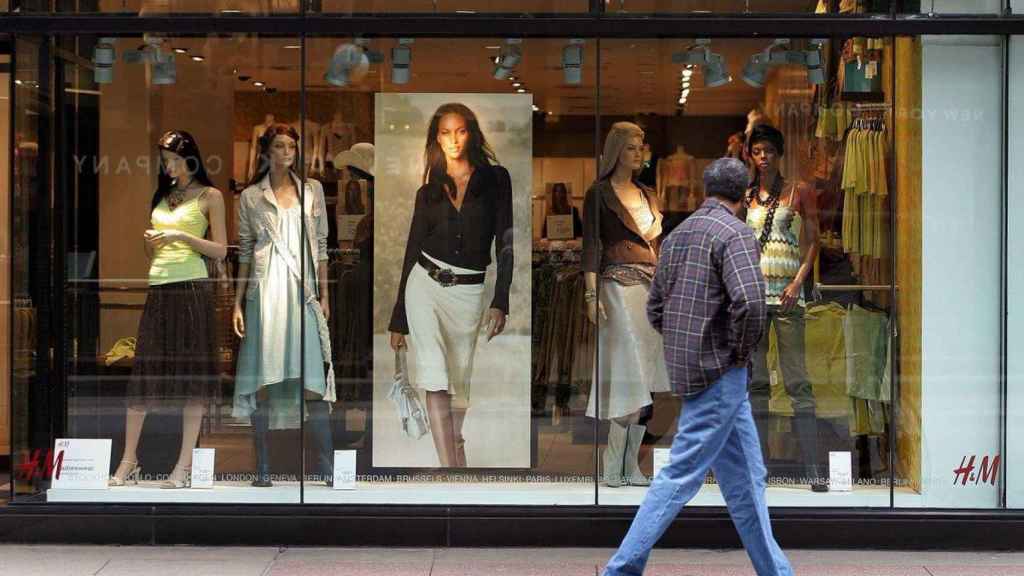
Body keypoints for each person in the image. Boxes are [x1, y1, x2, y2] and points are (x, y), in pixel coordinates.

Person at [602, 158, 793, 576]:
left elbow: (656, 306)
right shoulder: (737, 234)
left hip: (693, 369)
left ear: (706, 189)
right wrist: (739, 353)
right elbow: (751, 303)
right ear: (744, 194)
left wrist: (683, 344)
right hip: (722, 372)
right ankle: (620, 570)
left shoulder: (679, 235)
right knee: (681, 474)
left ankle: (776, 571)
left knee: (747, 479)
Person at [388, 103, 513, 468]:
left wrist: (500, 298)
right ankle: (450, 472)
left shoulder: (495, 179)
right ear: (435, 138)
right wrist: (399, 318)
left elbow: (506, 241)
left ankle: (454, 450)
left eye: (460, 131)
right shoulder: (427, 191)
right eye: (445, 132)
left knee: (461, 382)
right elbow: (412, 249)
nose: (453, 139)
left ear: (471, 134)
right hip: (423, 285)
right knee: (434, 375)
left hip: (469, 293)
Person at [110, 130, 228, 489]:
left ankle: (183, 465)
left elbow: (221, 250)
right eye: (165, 161)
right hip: (159, 287)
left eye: (175, 160)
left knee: (192, 380)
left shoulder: (211, 196)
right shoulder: (162, 196)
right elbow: (152, 252)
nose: (170, 166)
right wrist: (152, 242)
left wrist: (182, 237)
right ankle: (129, 460)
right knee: (144, 373)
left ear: (191, 158)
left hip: (192, 288)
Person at [232, 123, 336, 487]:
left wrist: (324, 296)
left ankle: (326, 466)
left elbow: (322, 247)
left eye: (292, 145)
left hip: (302, 290)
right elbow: (244, 252)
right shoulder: (250, 197)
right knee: (263, 377)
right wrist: (237, 302)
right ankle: (262, 468)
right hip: (266, 292)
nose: (287, 151)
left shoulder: (312, 191)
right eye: (279, 145)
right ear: (267, 151)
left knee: (313, 379)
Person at [582, 122, 669, 488]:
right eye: (631, 147)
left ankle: (628, 465)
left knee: (645, 379)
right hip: (616, 288)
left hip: (650, 291)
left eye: (641, 147)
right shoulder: (599, 193)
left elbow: (659, 250)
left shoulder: (650, 195)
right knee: (628, 375)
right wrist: (590, 294)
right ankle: (612, 463)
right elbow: (591, 247)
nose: (638, 153)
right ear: (616, 150)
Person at [744, 124, 826, 492]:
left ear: (779, 154)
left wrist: (799, 281)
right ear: (751, 155)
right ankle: (757, 468)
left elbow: (813, 241)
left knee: (797, 381)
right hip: (755, 297)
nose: (763, 157)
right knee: (757, 383)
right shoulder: (746, 196)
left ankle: (814, 469)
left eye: (769, 151)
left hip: (789, 296)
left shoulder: (799, 191)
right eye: (757, 151)